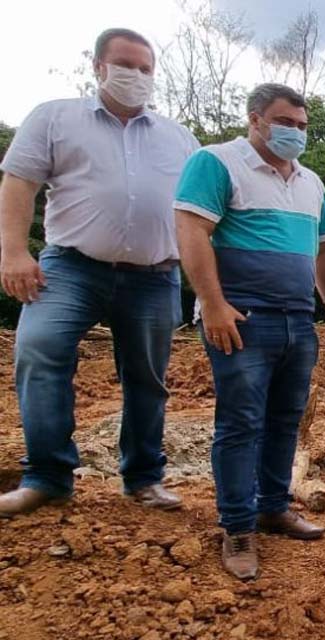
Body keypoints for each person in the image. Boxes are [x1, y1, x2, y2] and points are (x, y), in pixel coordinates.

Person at [0, 28, 199, 517]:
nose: (136, 75)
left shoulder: (179, 138)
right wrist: (13, 253)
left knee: (148, 378)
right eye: (125, 64)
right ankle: (47, 477)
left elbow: (199, 213)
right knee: (40, 351)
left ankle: (144, 478)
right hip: (70, 267)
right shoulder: (55, 118)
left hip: (156, 273)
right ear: (99, 66)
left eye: (145, 68)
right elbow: (19, 182)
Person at [174, 83, 325, 580]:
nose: (295, 132)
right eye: (285, 122)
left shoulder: (310, 183)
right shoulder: (217, 162)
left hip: (297, 319)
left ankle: (274, 506)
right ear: (255, 119)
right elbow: (191, 230)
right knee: (241, 422)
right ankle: (238, 526)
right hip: (244, 317)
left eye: (302, 125)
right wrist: (212, 304)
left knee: (285, 419)